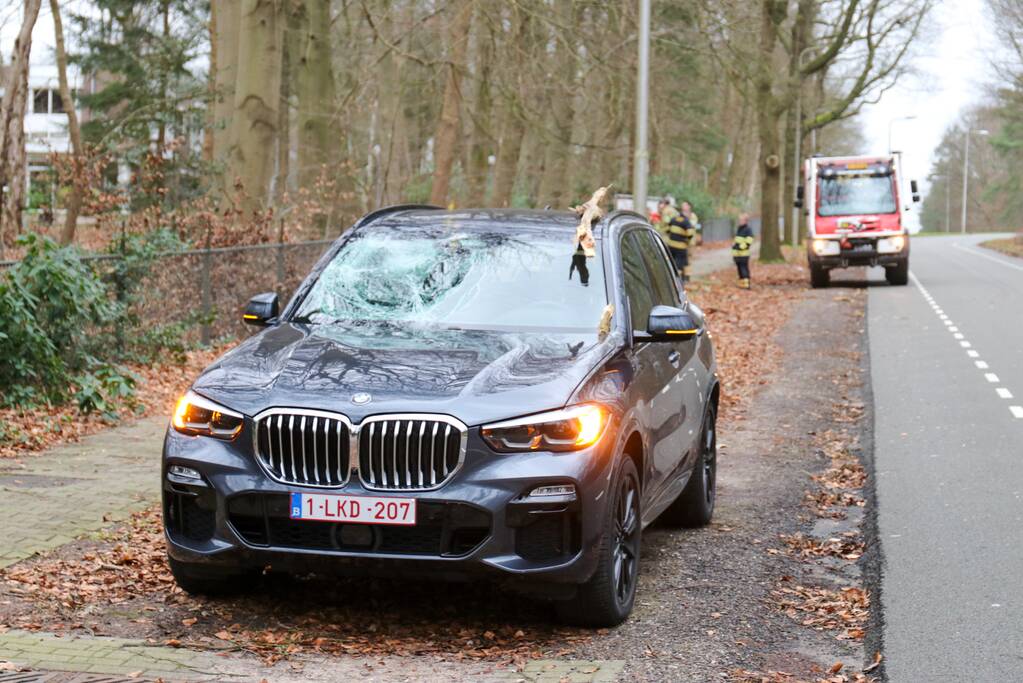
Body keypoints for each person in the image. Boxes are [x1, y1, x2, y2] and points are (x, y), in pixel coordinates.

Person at [666, 199, 696, 282]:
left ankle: (682, 277)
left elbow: (667, 230)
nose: (684, 207)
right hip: (682, 246)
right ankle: (679, 280)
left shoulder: (674, 219)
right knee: (682, 262)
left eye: (685, 205)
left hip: (671, 244)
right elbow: (690, 233)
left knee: (675, 261)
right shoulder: (686, 221)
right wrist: (686, 240)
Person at [732, 212, 754, 289]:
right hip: (737, 254)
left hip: (743, 254)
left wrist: (741, 247)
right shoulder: (739, 229)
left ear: (745, 221)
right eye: (739, 220)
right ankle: (741, 283)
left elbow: (749, 241)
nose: (740, 221)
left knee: (744, 268)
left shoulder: (748, 229)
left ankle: (746, 284)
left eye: (741, 220)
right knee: (739, 268)